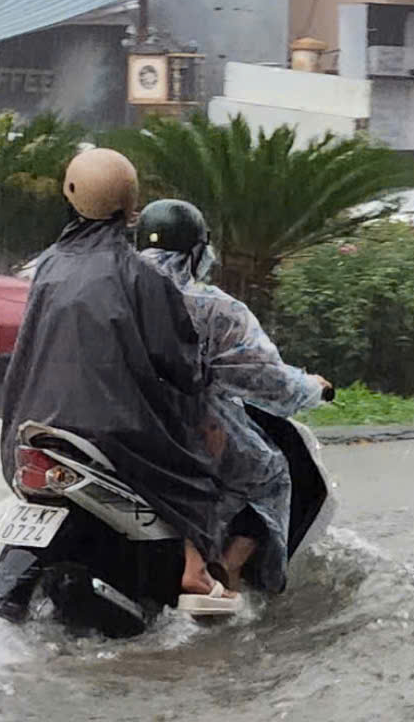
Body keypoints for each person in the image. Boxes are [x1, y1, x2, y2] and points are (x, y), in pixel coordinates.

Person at [0, 149, 238, 614]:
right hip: (115, 433)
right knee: (198, 470)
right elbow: (182, 368)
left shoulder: (46, 268)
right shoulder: (143, 277)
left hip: (32, 427)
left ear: (69, 194)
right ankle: (195, 571)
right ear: (130, 207)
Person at [135, 198, 330, 602]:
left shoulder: (112, 295)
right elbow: (266, 378)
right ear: (196, 252)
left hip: (116, 420)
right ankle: (228, 565)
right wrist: (312, 387)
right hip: (190, 425)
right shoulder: (213, 308)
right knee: (269, 472)